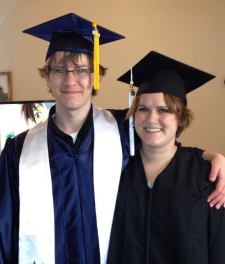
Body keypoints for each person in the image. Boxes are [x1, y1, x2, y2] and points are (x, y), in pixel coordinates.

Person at [0, 14, 224, 264]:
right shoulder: (17, 150)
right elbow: (4, 228)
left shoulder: (121, 130)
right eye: (60, 69)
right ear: (48, 77)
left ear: (96, 76)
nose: (70, 79)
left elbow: (164, 148)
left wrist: (212, 158)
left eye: (82, 70)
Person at [107, 51, 225, 264]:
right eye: (143, 109)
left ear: (180, 118)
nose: (152, 119)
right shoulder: (116, 170)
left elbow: (218, 249)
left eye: (163, 110)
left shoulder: (206, 178)